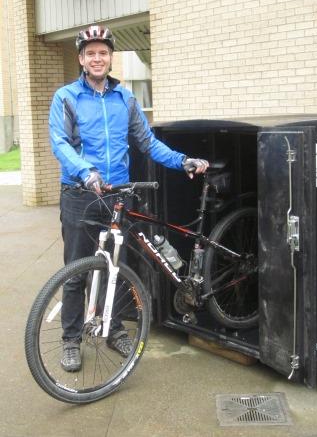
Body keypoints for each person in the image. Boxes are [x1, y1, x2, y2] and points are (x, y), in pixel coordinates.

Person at [49, 25, 209, 372]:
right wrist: (86, 171)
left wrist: (183, 161)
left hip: (118, 195)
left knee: (115, 267)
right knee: (77, 271)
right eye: (90, 53)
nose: (97, 58)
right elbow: (60, 143)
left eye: (102, 52)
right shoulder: (66, 97)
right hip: (80, 194)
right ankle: (71, 340)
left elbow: (147, 142)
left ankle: (114, 329)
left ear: (110, 57)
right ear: (81, 58)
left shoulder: (125, 99)